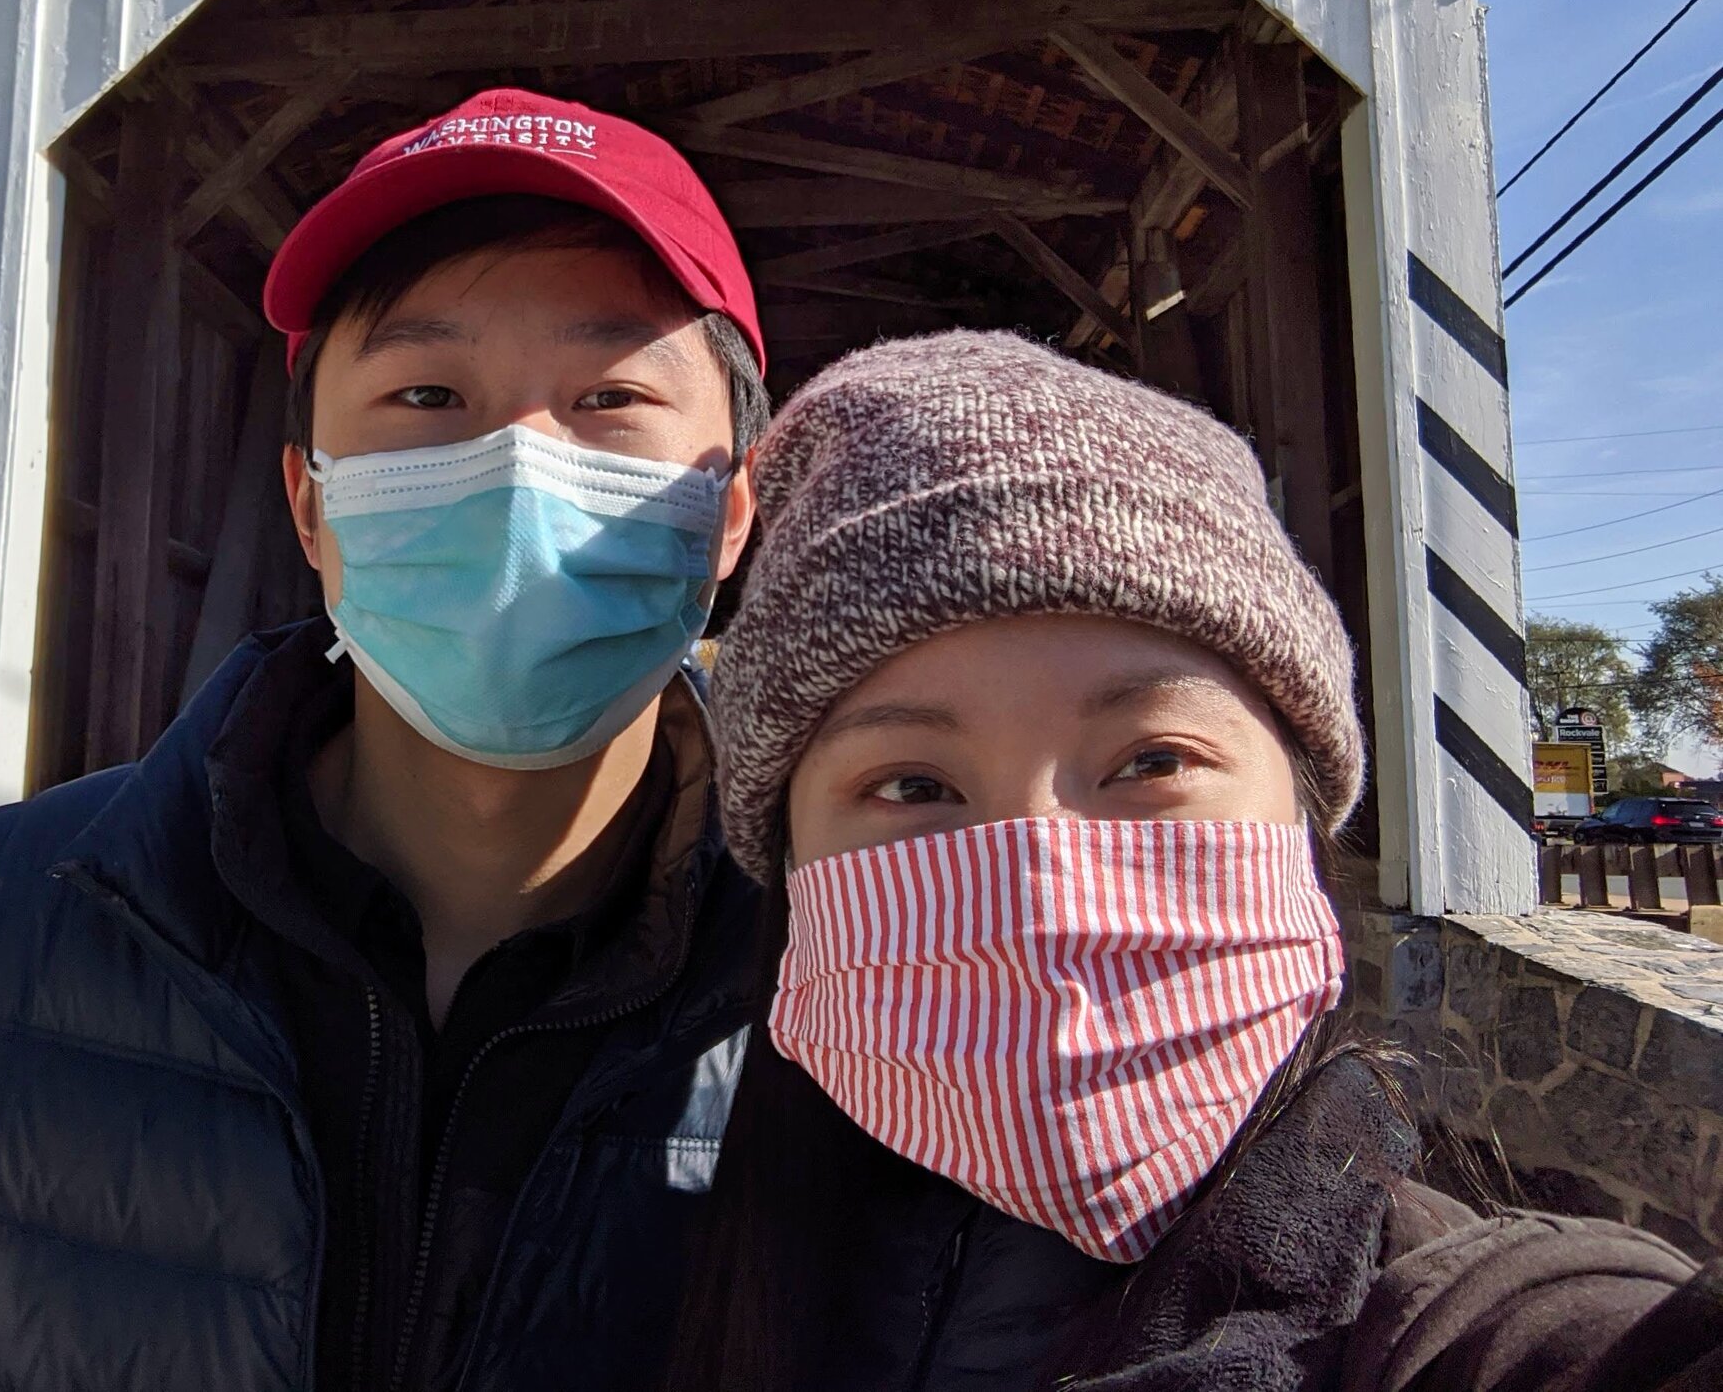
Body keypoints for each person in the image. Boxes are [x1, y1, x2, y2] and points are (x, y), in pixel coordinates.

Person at [0, 88, 776, 1392]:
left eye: (608, 394)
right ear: (310, 502)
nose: (516, 466)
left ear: (727, 511)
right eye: (429, 391)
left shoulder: (861, 969)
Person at [668, 330, 1723, 1392]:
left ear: (1302, 819)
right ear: (789, 861)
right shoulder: (649, 1262)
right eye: (911, 785)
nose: (1044, 884)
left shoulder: (1479, 1324)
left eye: (1153, 759)